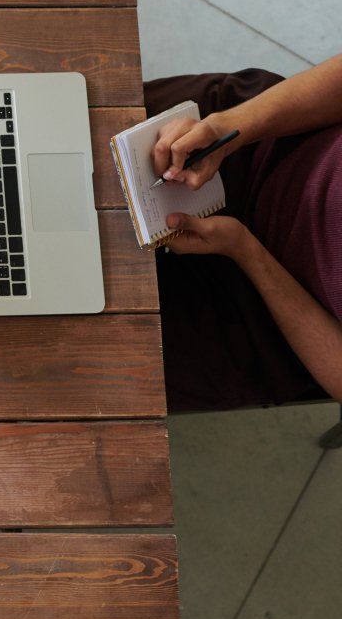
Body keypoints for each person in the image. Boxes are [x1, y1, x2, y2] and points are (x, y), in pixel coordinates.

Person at [143, 56, 342, 413]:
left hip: (270, 317)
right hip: (270, 141)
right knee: (86, 127)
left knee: (93, 358)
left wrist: (245, 250)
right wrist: (228, 126)